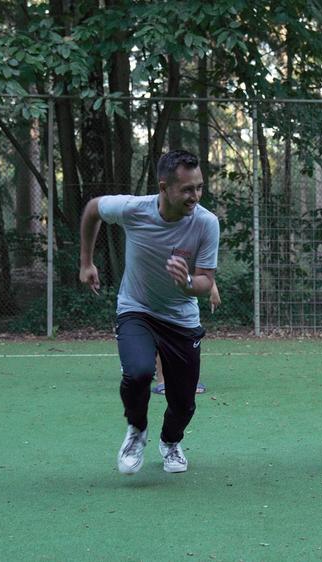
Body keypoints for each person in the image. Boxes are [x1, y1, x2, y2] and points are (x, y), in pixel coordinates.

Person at [79, 149, 220, 475]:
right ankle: (136, 431)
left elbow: (205, 281)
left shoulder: (206, 223)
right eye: (187, 189)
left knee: (184, 403)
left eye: (199, 187)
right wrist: (86, 262)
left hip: (181, 318)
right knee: (139, 373)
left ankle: (170, 442)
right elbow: (92, 210)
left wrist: (185, 283)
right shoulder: (134, 210)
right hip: (137, 309)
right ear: (164, 187)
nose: (195, 196)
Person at [153, 282, 220, 395]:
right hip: (161, 300)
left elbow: (205, 270)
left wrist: (214, 290)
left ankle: (193, 381)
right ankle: (162, 382)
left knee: (191, 342)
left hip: (187, 303)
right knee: (163, 340)